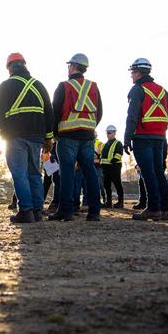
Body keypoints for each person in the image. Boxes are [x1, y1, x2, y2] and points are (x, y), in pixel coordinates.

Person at [0, 52, 54, 223]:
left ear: (9, 67)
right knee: (34, 173)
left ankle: (26, 210)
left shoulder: (5, 86)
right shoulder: (39, 86)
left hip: (15, 136)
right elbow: (49, 112)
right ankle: (38, 211)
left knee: (20, 173)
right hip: (36, 138)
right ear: (24, 65)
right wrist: (48, 138)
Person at [51, 53, 103, 221]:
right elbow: (99, 112)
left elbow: (55, 112)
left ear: (72, 66)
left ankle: (66, 211)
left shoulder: (64, 86)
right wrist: (90, 127)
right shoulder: (93, 87)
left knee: (66, 174)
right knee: (90, 172)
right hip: (87, 137)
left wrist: (53, 134)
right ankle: (94, 212)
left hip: (67, 136)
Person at [123, 58, 168, 221]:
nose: (131, 76)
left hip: (143, 137)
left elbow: (132, 115)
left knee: (148, 173)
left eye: (132, 72)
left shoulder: (137, 89)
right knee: (158, 173)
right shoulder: (163, 90)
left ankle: (153, 208)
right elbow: (167, 116)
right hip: (160, 137)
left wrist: (127, 137)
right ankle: (164, 209)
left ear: (137, 72)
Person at [101, 124, 124, 208]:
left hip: (115, 167)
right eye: (107, 133)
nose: (108, 134)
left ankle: (120, 202)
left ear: (114, 133)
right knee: (106, 185)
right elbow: (102, 156)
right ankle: (108, 202)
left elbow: (118, 154)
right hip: (106, 168)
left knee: (117, 184)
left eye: (109, 132)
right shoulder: (105, 144)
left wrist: (112, 162)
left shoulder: (118, 143)